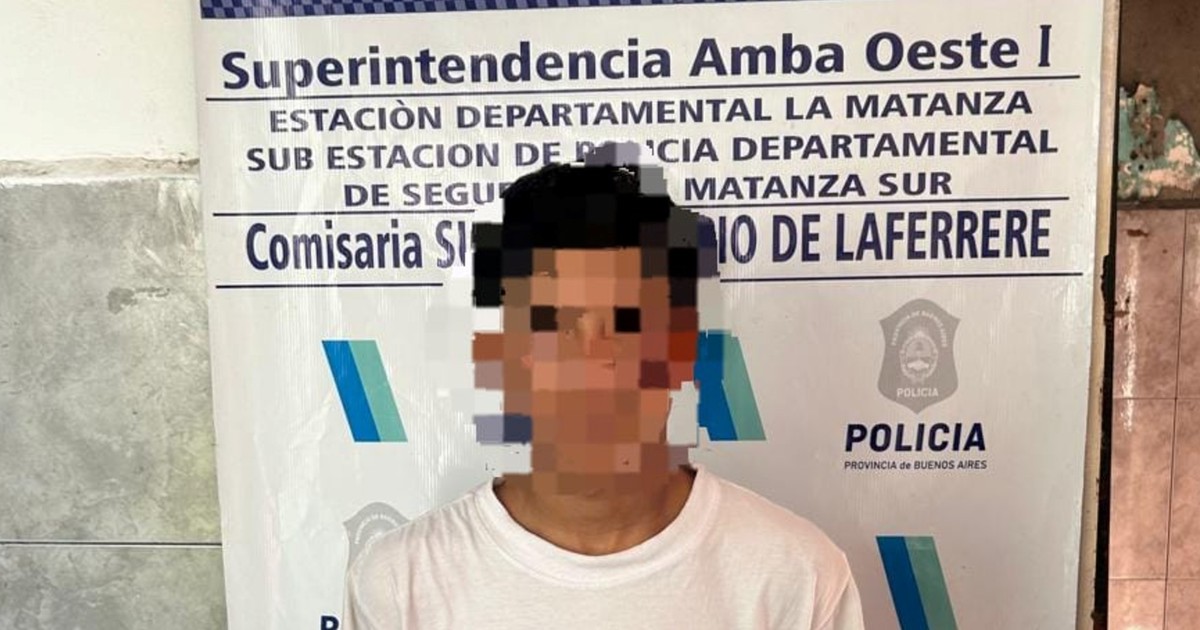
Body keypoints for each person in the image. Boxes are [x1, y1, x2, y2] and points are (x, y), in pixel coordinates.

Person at [344, 144, 864, 629]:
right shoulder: (401, 587)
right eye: (552, 323)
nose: (593, 363)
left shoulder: (797, 579)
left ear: (682, 350)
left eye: (629, 322)